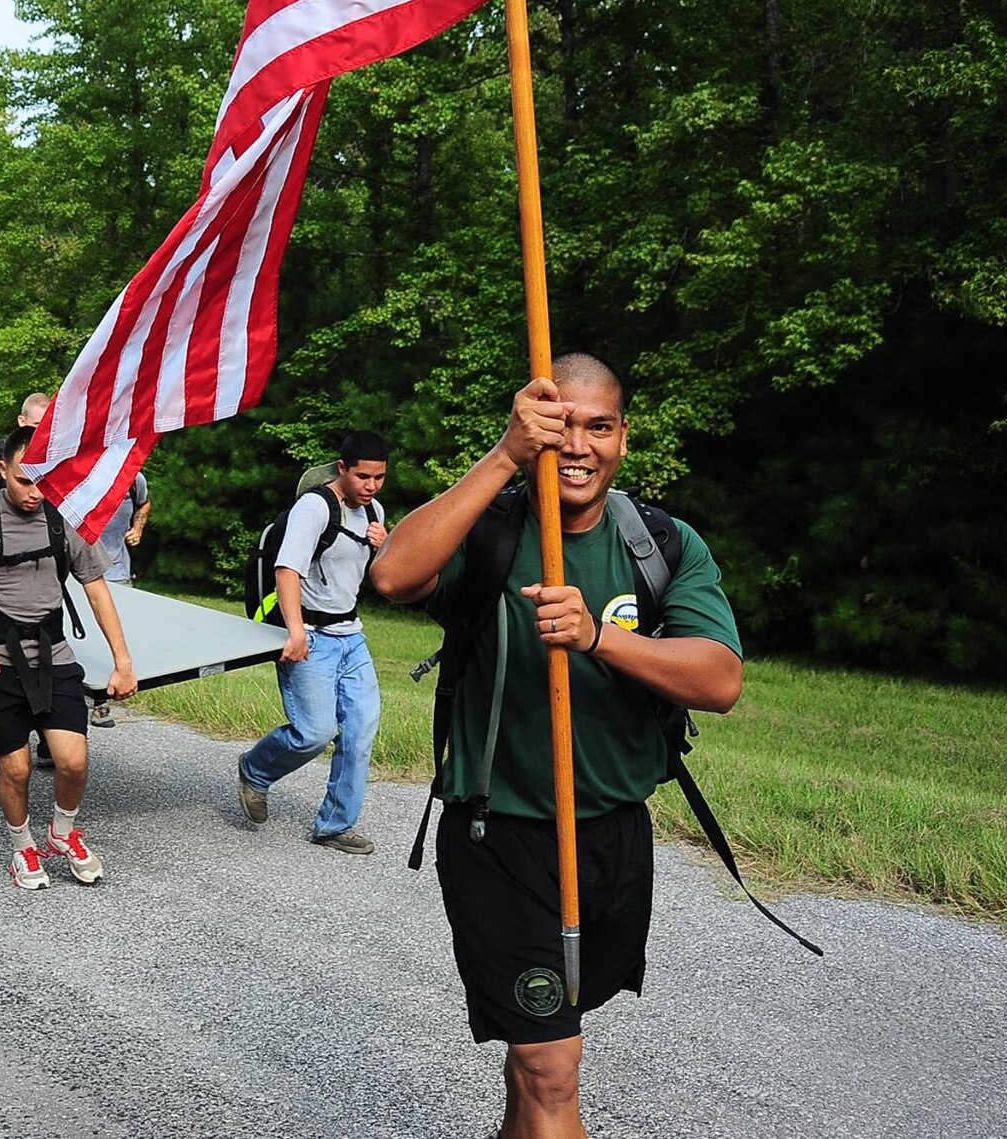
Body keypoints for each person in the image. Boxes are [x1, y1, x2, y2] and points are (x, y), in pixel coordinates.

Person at [375, 355, 744, 1139]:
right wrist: (505, 453)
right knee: (551, 1068)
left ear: (623, 438)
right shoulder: (493, 531)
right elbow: (394, 574)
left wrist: (597, 636)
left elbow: (718, 678)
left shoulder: (660, 545)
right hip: (499, 836)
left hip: (612, 835)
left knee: (537, 1063)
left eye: (599, 427)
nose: (578, 445)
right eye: (559, 424)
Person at [0, 425, 137, 888]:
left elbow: (99, 593)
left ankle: (61, 833)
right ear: (3, 471)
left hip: (53, 655)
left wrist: (122, 661)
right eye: (24, 480)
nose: (34, 490)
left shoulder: (67, 517)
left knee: (73, 761)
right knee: (17, 768)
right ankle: (22, 846)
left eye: (43, 478)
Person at [236, 431, 394, 855]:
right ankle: (255, 769)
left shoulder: (373, 510)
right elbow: (287, 571)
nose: (371, 486)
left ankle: (334, 825)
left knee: (360, 732)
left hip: (351, 634)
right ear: (342, 468)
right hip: (311, 634)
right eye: (363, 476)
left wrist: (384, 547)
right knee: (314, 732)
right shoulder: (314, 507)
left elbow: (374, 578)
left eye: (379, 478)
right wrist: (295, 632)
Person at [87, 472, 152, 728]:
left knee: (113, 638)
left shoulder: (134, 478)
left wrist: (137, 528)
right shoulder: (77, 471)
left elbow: (145, 502)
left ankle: (101, 701)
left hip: (117, 572)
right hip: (80, 575)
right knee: (82, 638)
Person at [0, 393, 51, 503]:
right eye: (37, 425)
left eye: (47, 426)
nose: (42, 432)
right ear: (22, 421)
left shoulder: (56, 458)